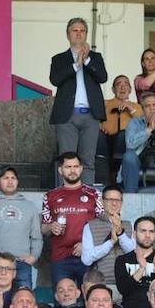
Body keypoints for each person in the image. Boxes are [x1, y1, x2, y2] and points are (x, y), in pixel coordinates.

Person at [49, 18, 107, 186]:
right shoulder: (59, 59)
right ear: (68, 35)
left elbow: (102, 77)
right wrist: (76, 65)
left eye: (82, 30)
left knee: (88, 160)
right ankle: (65, 197)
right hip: (68, 116)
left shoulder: (95, 57)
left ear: (86, 34)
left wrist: (87, 60)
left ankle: (87, 197)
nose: (79, 33)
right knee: (67, 160)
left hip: (90, 115)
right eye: (75, 30)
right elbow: (55, 79)